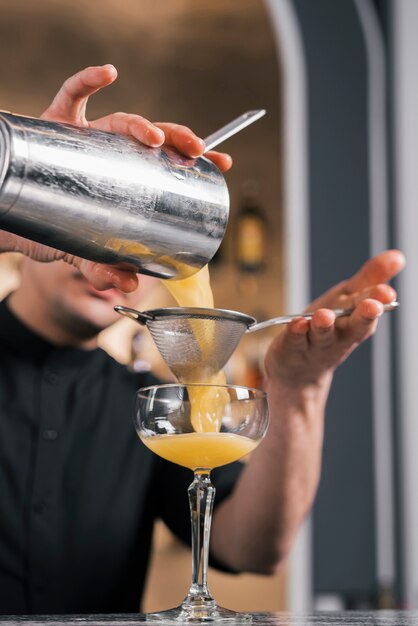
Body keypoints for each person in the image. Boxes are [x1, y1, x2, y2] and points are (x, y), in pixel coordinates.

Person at [0, 65, 405, 615]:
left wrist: (300, 389)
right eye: (90, 231)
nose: (105, 257)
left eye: (134, 245)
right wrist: (20, 178)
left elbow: (255, 548)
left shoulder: (148, 408)